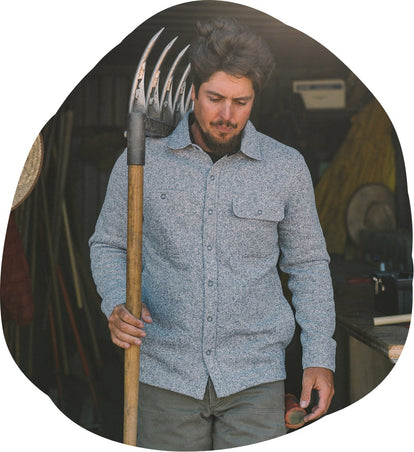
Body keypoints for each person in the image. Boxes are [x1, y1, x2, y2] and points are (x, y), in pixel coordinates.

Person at [89, 17, 336, 450]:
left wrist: (319, 355)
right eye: (215, 98)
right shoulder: (140, 163)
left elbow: (309, 265)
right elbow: (109, 244)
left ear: (255, 97)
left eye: (241, 102)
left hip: (255, 378)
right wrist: (116, 301)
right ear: (192, 92)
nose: (226, 115)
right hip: (163, 374)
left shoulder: (285, 168)